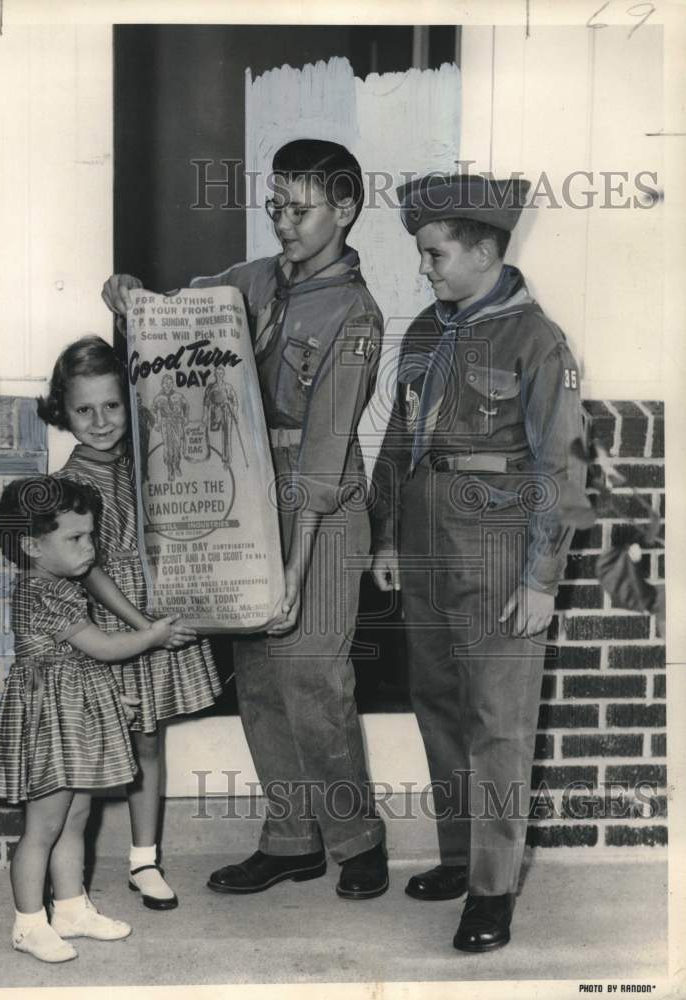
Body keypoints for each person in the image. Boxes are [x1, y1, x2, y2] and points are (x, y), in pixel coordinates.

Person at [102, 138, 388, 899]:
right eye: (276, 207)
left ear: (346, 209)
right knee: (259, 680)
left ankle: (358, 841)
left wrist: (290, 571)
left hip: (316, 505)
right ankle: (291, 839)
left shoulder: (355, 314)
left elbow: (327, 450)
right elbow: (172, 322)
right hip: (242, 493)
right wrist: (130, 298)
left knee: (313, 677)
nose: (284, 224)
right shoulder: (246, 282)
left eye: (300, 210)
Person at [371, 173, 590, 951]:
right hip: (427, 540)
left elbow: (560, 471)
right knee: (437, 704)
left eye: (434, 254)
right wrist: (387, 535)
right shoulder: (426, 334)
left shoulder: (537, 341)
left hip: (498, 552)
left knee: (497, 722)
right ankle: (459, 857)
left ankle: (492, 891)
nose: (424, 268)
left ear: (486, 250)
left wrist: (540, 579)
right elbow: (400, 442)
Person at [37, 337, 222, 911]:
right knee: (91, 752)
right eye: (84, 410)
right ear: (63, 414)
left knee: (147, 742)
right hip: (111, 624)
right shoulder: (69, 482)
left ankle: (145, 861)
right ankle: (66, 876)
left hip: (154, 613)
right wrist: (146, 627)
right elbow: (89, 572)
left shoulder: (146, 462)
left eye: (112, 406)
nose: (100, 421)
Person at [0, 476, 178, 963]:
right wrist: (151, 635)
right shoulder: (39, 592)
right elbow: (104, 649)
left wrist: (113, 702)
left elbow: (80, 663)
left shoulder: (60, 584)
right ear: (32, 547)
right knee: (43, 827)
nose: (89, 547)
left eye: (90, 535)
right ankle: (28, 923)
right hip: (52, 722)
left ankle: (69, 908)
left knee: (77, 818)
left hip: (74, 716)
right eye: (75, 538)